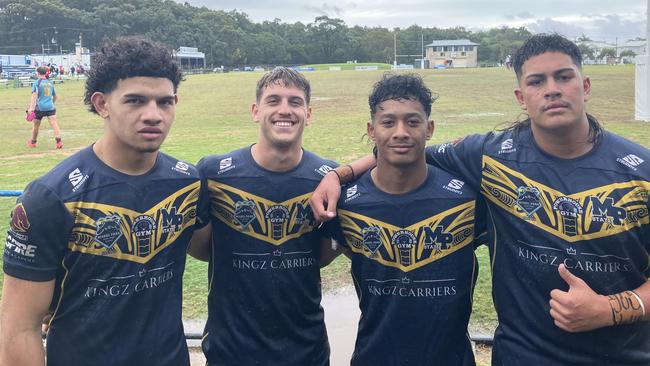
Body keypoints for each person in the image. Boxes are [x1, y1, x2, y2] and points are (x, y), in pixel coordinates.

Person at [311, 34, 650, 365]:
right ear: (521, 95)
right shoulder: (489, 156)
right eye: (536, 81)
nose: (551, 89)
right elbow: (406, 151)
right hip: (520, 355)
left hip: (622, 355)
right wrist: (338, 175)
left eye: (563, 77)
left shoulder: (641, 170)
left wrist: (611, 309)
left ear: (585, 85)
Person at [1, 36, 207, 366]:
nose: (153, 114)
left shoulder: (187, 183)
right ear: (102, 104)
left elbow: (214, 248)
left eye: (164, 102)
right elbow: (19, 328)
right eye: (136, 101)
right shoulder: (51, 197)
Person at [327, 73, 483, 365]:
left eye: (413, 121)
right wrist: (338, 175)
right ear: (371, 130)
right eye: (388, 122)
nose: (401, 132)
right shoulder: (346, 204)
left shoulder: (467, 199)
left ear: (430, 128)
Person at [188, 67, 337, 365]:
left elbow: (323, 254)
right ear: (256, 111)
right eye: (273, 100)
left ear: (309, 113)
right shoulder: (214, 173)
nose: (285, 110)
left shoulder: (326, 179)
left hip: (306, 351)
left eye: (295, 102)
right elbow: (201, 249)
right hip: (231, 351)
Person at [27, 66, 63, 149]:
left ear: (38, 73)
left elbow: (34, 96)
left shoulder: (37, 83)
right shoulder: (50, 83)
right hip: (50, 107)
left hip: (40, 108)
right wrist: (51, 103)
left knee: (36, 126)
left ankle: (33, 142)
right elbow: (55, 96)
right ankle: (59, 142)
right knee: (54, 124)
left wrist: (31, 108)